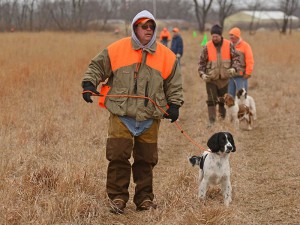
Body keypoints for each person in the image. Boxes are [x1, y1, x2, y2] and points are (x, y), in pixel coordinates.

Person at [81, 10, 183, 214]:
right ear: (135, 26)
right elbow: (97, 66)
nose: (148, 29)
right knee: (118, 157)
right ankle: (117, 198)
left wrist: (174, 105)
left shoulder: (167, 56)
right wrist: (89, 83)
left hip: (150, 117)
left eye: (152, 26)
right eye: (144, 26)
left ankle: (144, 199)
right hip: (121, 114)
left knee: (146, 160)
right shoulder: (117, 48)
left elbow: (174, 85)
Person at [198, 24, 240, 126]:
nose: (214, 38)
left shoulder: (229, 45)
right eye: (212, 36)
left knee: (223, 101)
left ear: (221, 36)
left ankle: (221, 120)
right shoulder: (207, 46)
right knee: (211, 100)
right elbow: (201, 62)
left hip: (225, 79)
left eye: (216, 36)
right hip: (211, 79)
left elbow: (236, 59)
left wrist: (234, 69)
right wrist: (202, 74)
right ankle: (211, 121)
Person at [228, 27, 254, 96]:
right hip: (230, 76)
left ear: (237, 35)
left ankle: (243, 107)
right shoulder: (228, 46)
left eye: (232, 35)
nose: (230, 37)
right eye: (230, 35)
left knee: (242, 97)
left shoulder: (245, 46)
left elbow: (250, 60)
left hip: (241, 76)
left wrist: (248, 73)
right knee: (230, 97)